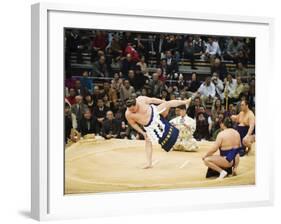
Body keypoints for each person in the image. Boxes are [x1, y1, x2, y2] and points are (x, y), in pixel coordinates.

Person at [125, 96, 191, 169]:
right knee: (148, 141)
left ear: (136, 104)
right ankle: (149, 163)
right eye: (131, 110)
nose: (133, 111)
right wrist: (143, 133)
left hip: (155, 112)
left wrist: (162, 102)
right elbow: (133, 124)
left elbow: (152, 100)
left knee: (167, 104)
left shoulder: (141, 99)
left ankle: (185, 102)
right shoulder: (128, 114)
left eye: (134, 109)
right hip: (149, 126)